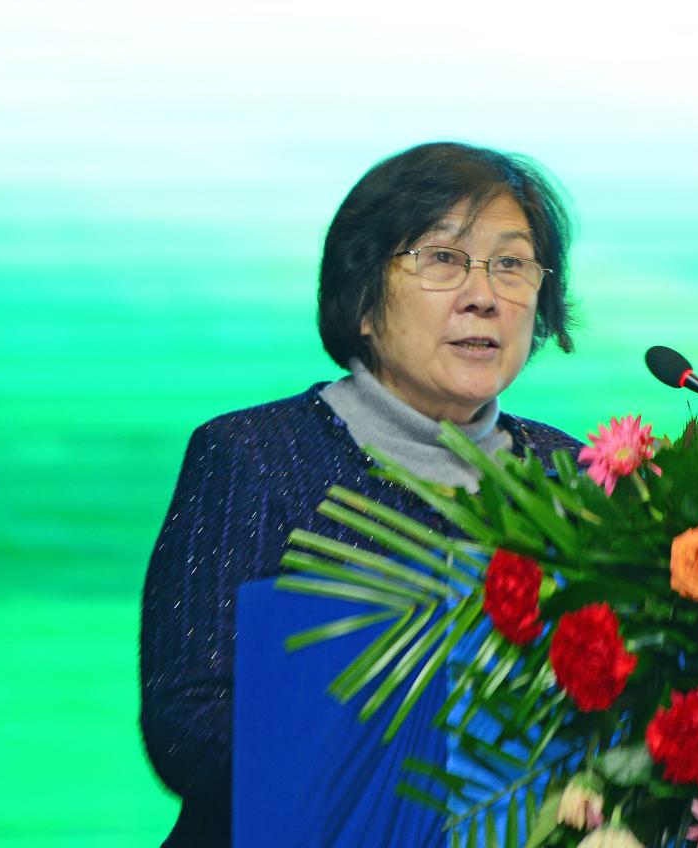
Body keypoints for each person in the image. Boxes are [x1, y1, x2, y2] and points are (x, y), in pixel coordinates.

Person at [139, 141, 583, 846]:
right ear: (364, 302)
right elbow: (188, 718)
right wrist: (407, 800)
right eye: (443, 258)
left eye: (511, 264)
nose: (484, 296)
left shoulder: (574, 474)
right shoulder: (256, 457)